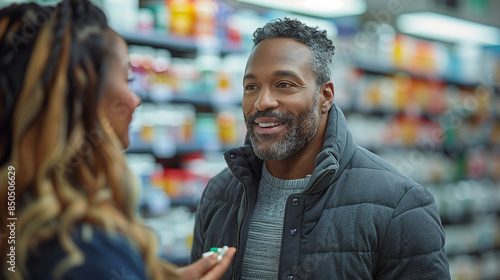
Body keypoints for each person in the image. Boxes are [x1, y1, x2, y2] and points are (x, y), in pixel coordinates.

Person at [190, 17, 450, 279]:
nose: (262, 102)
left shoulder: (400, 206)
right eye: (251, 86)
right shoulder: (219, 193)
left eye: (284, 85)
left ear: (325, 97)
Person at [0, 1, 235, 279]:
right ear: (83, 96)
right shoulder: (84, 249)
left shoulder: (20, 222)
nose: (134, 100)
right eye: (126, 78)